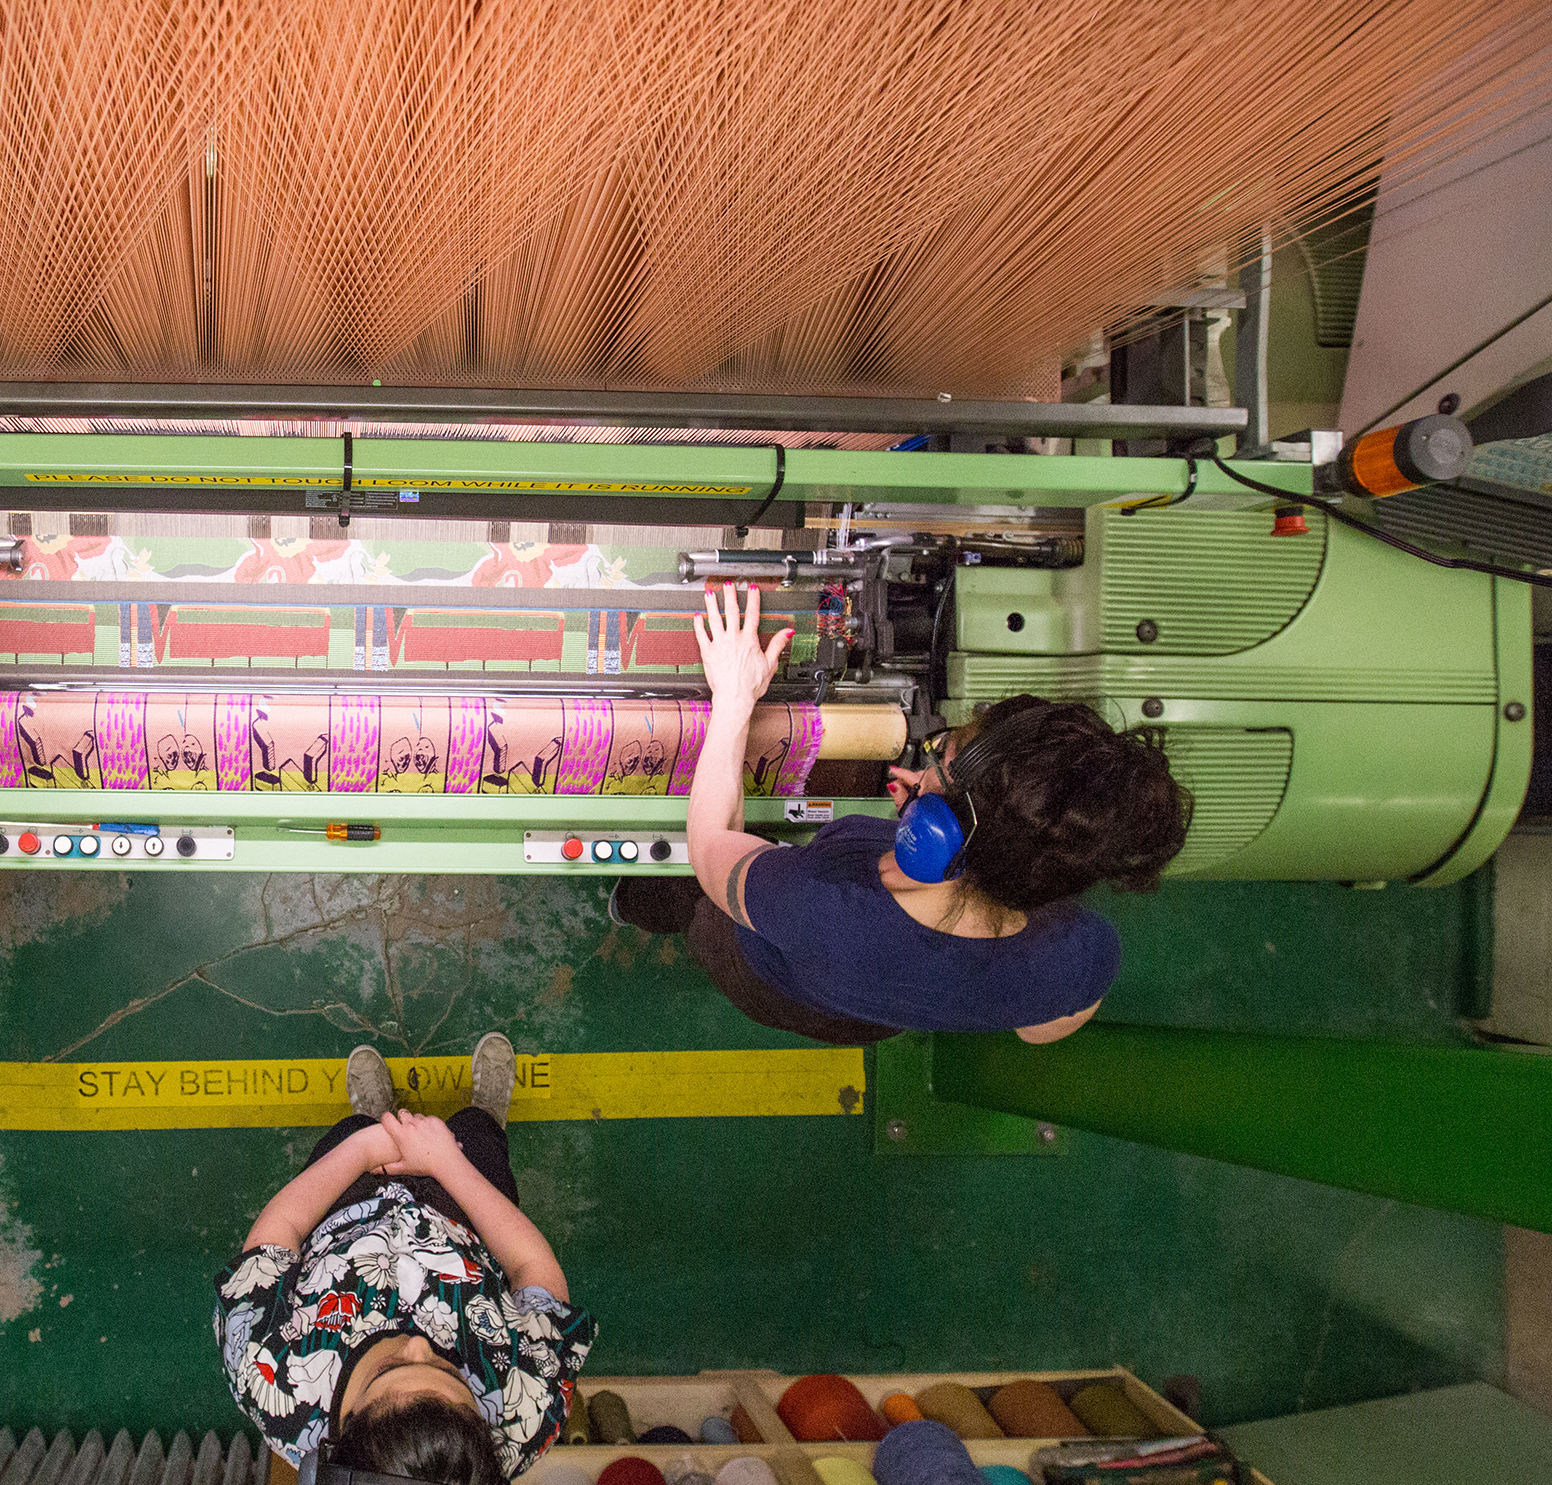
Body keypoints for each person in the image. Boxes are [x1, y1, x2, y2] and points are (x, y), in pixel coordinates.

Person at [609, 582, 1192, 1045]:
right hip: (862, 1021)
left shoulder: (824, 910)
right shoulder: (1084, 955)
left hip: (763, 971)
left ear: (937, 834)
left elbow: (710, 841)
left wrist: (734, 700)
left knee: (699, 903)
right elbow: (1041, 1030)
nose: (922, 764)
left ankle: (638, 903)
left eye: (939, 757)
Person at [214, 1034, 595, 1484]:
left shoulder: (271, 1377)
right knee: (480, 1138)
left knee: (348, 1131)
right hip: (469, 1211)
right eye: (451, 1373)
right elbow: (530, 1269)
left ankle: (371, 1114)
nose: (420, 1344)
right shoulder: (523, 1407)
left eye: (390, 1368)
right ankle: (486, 1113)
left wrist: (366, 1148)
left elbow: (281, 1234)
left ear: (339, 1429)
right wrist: (451, 1165)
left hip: (344, 1200)